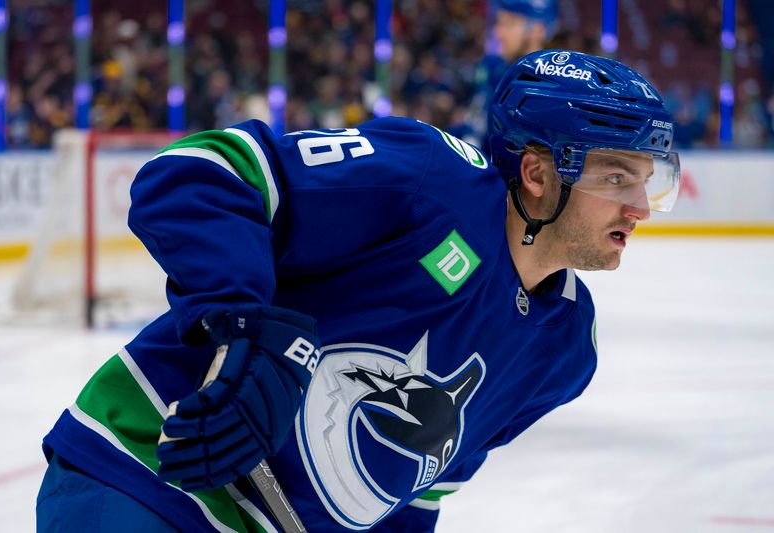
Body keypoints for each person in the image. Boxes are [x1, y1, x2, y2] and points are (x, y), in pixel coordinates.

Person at [36, 49, 681, 532]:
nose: (638, 206)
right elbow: (198, 174)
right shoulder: (429, 180)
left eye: (645, 180)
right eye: (617, 176)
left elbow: (417, 492)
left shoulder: (566, 350)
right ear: (539, 173)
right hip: (148, 475)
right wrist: (242, 324)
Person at [451, 0, 558, 150]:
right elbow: (476, 125)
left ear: (537, 30)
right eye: (499, 22)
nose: (498, 32)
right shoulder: (492, 65)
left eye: (510, 24)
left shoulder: (544, 88)